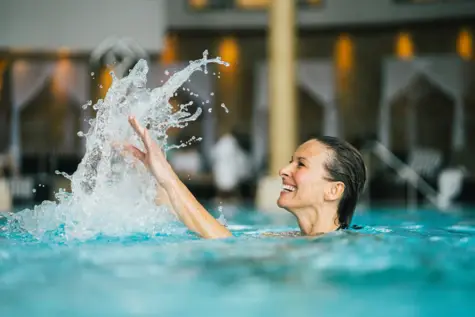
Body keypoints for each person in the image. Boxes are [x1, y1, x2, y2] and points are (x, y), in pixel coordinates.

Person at [124, 116, 367, 239]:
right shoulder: (286, 238)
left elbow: (222, 242)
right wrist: (152, 176)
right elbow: (216, 233)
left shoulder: (347, 247)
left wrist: (168, 176)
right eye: (291, 161)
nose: (284, 169)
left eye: (300, 164)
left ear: (334, 190)